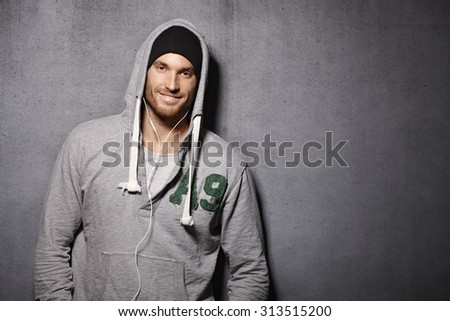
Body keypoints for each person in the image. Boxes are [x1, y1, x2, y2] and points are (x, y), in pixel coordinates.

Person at [34, 19, 269, 301]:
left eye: (186, 72)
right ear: (143, 72)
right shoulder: (85, 142)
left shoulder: (227, 164)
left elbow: (250, 270)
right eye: (162, 68)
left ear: (200, 82)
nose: (172, 84)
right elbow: (52, 247)